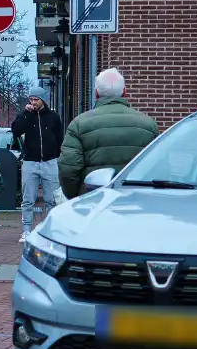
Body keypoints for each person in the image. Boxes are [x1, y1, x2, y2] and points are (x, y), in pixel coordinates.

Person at [59, 68, 159, 199]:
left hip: (93, 200)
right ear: (124, 91)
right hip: (136, 200)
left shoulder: (79, 124)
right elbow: (157, 167)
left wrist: (76, 197)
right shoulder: (149, 124)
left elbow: (68, 169)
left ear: (96, 93)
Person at [11, 86, 64, 242]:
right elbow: (16, 131)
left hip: (50, 161)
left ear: (43, 100)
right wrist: (25, 113)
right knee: (28, 198)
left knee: (52, 199)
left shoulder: (53, 117)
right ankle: (26, 230)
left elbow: (59, 137)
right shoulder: (27, 116)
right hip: (30, 161)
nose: (33, 102)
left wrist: (55, 154)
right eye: (31, 99)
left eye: (36, 99)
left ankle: (50, 229)